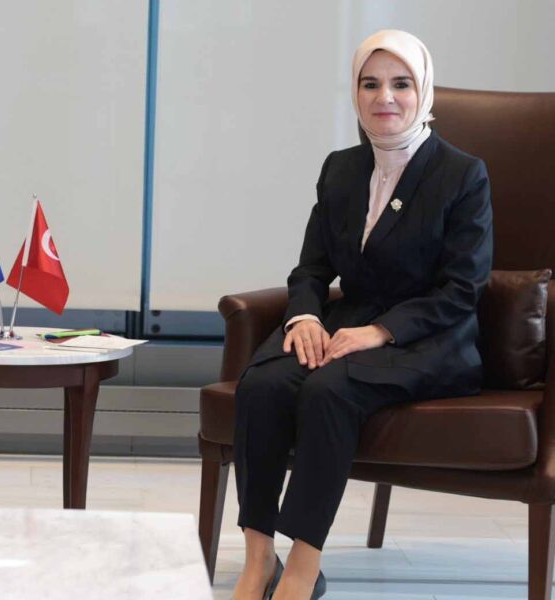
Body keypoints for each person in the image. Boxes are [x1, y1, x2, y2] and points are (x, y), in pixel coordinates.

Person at [230, 30, 492, 600]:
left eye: (401, 84)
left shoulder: (462, 174)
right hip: (346, 325)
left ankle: (302, 569)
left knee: (329, 391)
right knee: (263, 384)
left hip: (430, 337)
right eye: (370, 84)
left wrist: (381, 331)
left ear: (424, 91)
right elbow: (310, 269)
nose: (385, 97)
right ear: (355, 92)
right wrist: (305, 319)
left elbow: (463, 288)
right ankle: (259, 561)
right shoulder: (341, 168)